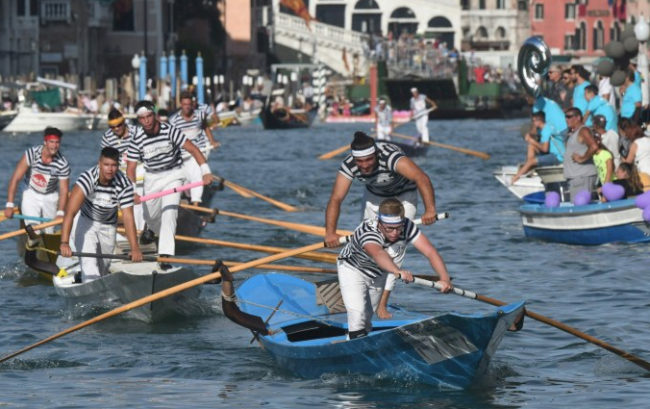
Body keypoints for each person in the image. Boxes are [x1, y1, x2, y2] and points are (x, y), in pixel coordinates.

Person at [325, 131, 437, 319]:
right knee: (368, 246)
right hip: (375, 197)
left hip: (404, 197)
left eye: (368, 160)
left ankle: (382, 305)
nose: (364, 166)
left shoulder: (391, 157)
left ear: (375, 155)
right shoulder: (349, 165)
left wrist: (430, 210)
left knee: (394, 248)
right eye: (360, 162)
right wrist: (330, 233)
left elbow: (421, 178)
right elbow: (336, 198)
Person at [336, 198, 452, 339]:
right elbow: (378, 253)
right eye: (389, 228)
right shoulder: (368, 231)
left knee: (366, 321)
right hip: (352, 269)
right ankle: (353, 350)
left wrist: (444, 279)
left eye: (398, 228)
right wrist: (397, 271)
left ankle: (354, 342)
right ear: (380, 223)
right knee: (357, 314)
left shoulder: (408, 226)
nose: (394, 233)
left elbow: (430, 252)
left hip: (378, 273)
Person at [126, 100, 215, 258]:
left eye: (149, 116)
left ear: (154, 115)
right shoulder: (137, 138)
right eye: (142, 118)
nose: (146, 121)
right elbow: (131, 168)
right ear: (138, 120)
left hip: (173, 175)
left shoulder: (170, 130)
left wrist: (206, 171)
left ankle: (165, 254)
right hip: (152, 179)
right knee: (151, 217)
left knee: (169, 212)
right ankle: (152, 230)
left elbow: (193, 149)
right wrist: (132, 191)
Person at [59, 147, 143, 282]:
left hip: (108, 227)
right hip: (86, 223)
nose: (110, 169)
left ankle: (89, 280)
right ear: (99, 163)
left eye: (114, 165)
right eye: (106, 165)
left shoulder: (124, 185)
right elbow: (70, 212)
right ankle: (88, 286)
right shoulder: (87, 178)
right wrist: (64, 243)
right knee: (90, 268)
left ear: (118, 165)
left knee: (103, 270)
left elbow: (128, 217)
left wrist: (135, 248)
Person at [4, 127, 70, 233]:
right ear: (45, 141)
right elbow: (15, 179)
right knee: (34, 229)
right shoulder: (32, 154)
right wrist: (9, 205)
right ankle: (32, 243)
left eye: (57, 142)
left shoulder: (62, 163)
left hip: (50, 195)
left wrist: (61, 212)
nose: (54, 145)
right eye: (51, 142)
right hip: (30, 192)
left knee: (49, 231)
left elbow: (64, 190)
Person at [169, 91, 219, 205]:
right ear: (181, 105)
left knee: (196, 172)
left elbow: (205, 127)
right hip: (183, 153)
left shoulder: (200, 115)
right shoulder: (173, 120)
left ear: (192, 104)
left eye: (189, 104)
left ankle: (196, 201)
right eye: (184, 104)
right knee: (182, 177)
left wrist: (212, 141)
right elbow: (171, 139)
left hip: (198, 150)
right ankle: (181, 198)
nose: (187, 107)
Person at [511, 112, 565, 185]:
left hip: (558, 156)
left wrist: (531, 140)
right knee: (531, 146)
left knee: (532, 159)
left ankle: (516, 178)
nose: (532, 123)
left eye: (533, 121)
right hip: (551, 153)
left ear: (539, 120)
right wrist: (531, 140)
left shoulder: (546, 130)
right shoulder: (544, 128)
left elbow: (545, 149)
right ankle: (529, 168)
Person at [563, 108, 599, 201]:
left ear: (578, 118)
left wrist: (583, 158)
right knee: (576, 208)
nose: (566, 119)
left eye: (569, 117)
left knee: (582, 207)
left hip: (583, 177)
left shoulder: (583, 130)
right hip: (575, 178)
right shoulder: (573, 133)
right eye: (565, 117)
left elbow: (594, 146)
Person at [621, 121, 650, 191]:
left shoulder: (635, 144)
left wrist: (622, 159)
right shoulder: (648, 140)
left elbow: (628, 162)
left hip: (643, 172)